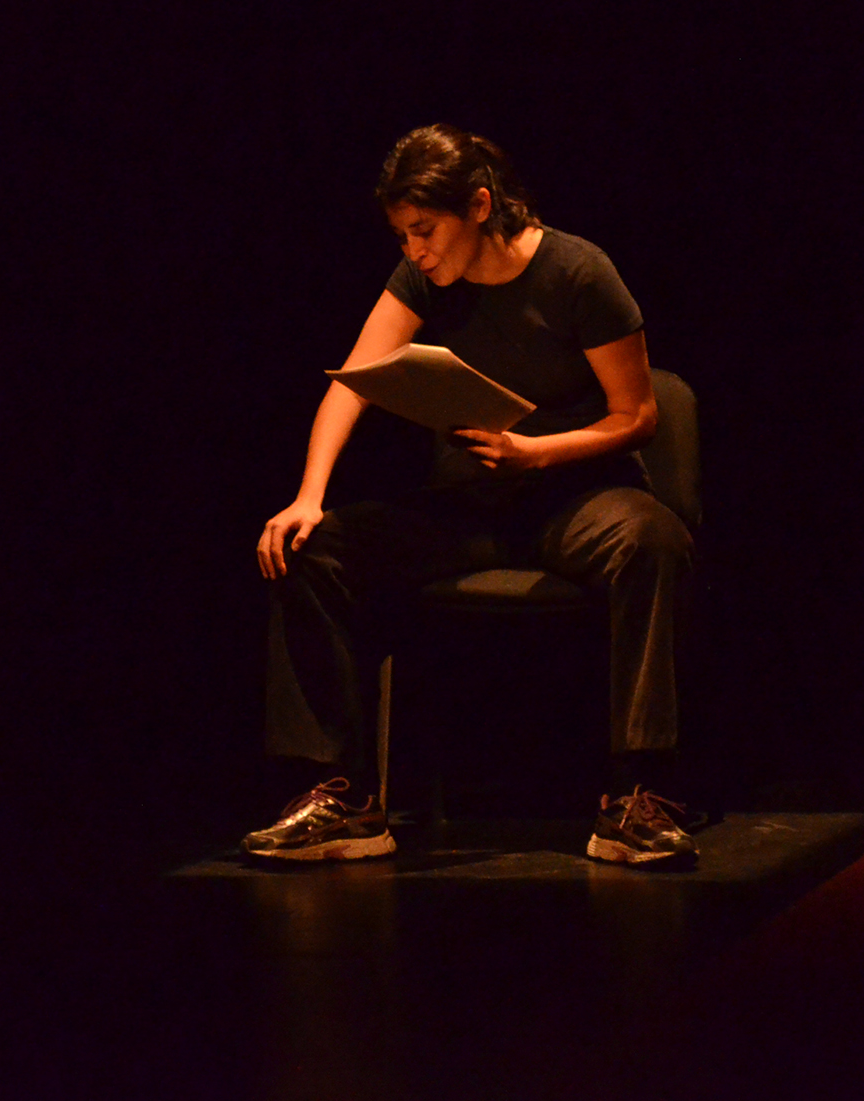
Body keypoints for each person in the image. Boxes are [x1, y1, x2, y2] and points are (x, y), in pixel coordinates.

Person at [243, 123, 695, 866]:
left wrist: (535, 452)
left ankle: (637, 796)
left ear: (480, 206)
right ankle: (345, 800)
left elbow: (637, 416)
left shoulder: (578, 272)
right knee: (312, 548)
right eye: (402, 235)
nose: (413, 250)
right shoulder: (421, 279)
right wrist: (307, 496)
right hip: (468, 509)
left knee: (653, 540)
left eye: (424, 231)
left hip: (576, 498)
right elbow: (351, 385)